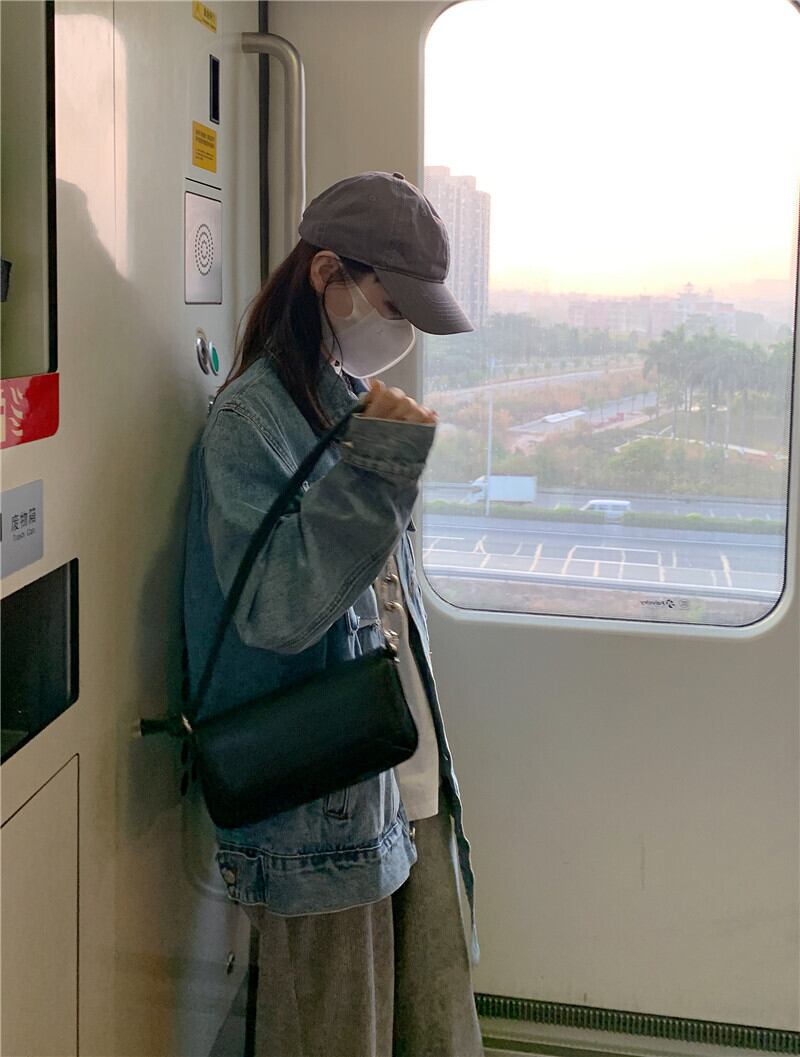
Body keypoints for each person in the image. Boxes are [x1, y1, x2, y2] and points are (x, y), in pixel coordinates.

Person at [182, 171, 483, 1057]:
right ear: (326, 275)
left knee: (426, 1028)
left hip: (400, 784)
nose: (401, 334)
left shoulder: (346, 400)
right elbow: (278, 611)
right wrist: (380, 467)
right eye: (392, 306)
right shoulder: (250, 423)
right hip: (321, 818)